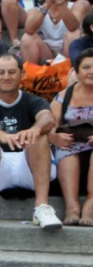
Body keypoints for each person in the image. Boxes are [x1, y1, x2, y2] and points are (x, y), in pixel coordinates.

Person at [0, 54, 62, 230]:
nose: (6, 77)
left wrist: (34, 129)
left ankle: (42, 207)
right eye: (1, 72)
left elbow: (48, 118)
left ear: (22, 74)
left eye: (11, 72)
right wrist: (1, 135)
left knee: (39, 135)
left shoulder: (33, 100)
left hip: (29, 163)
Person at [50, 48, 93, 226]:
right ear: (76, 71)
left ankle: (90, 205)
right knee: (64, 150)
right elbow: (50, 125)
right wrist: (54, 137)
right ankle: (72, 207)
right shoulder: (64, 95)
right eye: (86, 67)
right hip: (71, 145)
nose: (91, 72)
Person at [21, 0, 80, 66]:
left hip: (67, 50)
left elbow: (73, 27)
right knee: (27, 38)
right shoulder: (35, 10)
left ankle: (73, 73)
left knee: (74, 34)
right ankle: (31, 77)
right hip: (45, 53)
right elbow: (29, 30)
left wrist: (59, 1)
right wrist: (48, 4)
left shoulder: (76, 6)